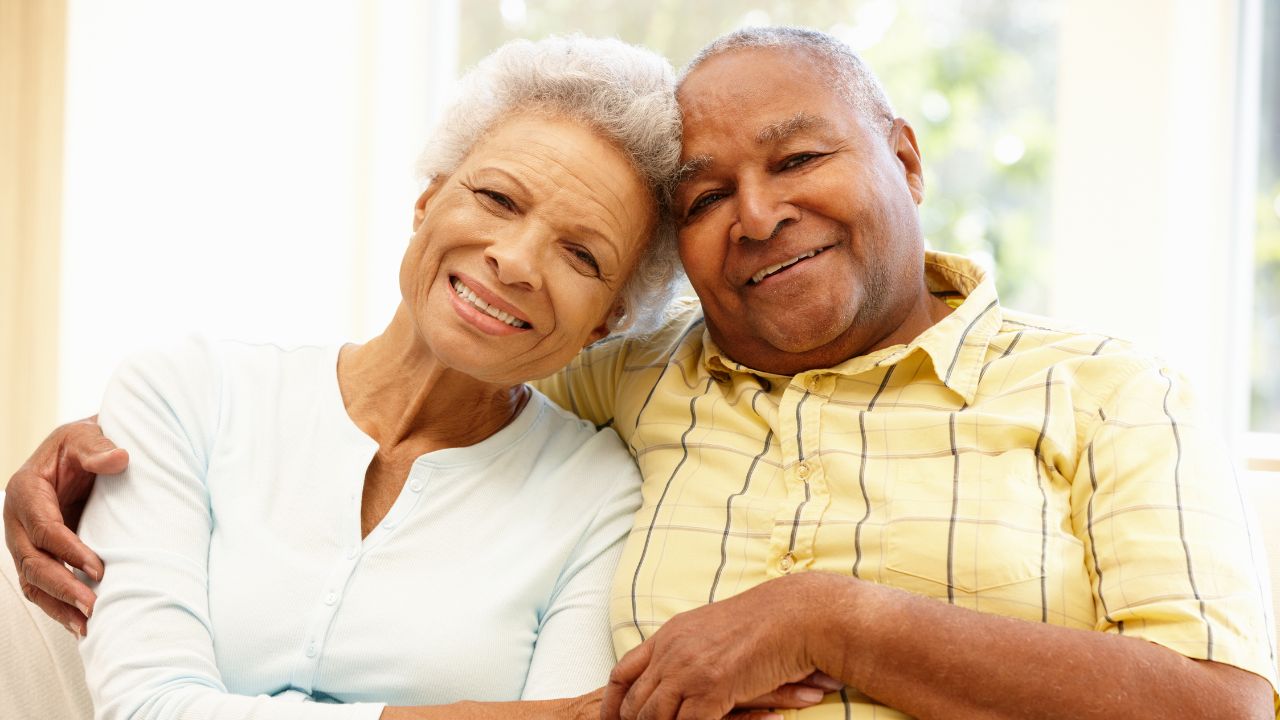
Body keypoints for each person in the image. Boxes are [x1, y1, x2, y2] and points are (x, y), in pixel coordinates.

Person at [8, 26, 1278, 720]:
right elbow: (448, 374)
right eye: (706, 195)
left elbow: (1219, 715)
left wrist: (835, 619)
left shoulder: (1106, 391)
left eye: (798, 161)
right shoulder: (628, 383)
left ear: (902, 153)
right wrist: (111, 446)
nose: (759, 213)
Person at [1, 34, 830, 720]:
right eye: (498, 199)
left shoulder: (599, 494)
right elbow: (145, 709)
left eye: (582, 255)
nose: (514, 260)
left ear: (609, 319)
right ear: (428, 200)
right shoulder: (184, 390)